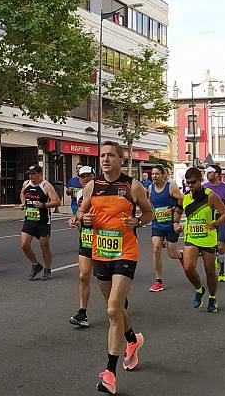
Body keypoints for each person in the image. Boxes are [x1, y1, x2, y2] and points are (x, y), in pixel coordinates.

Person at [75, 141, 153, 395]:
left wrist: (137, 221)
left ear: (121, 159)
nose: (106, 160)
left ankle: (110, 373)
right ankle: (133, 340)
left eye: (111, 156)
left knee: (111, 310)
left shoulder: (133, 186)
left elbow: (149, 213)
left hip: (126, 252)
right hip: (101, 252)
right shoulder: (91, 186)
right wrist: (82, 219)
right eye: (103, 156)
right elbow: (80, 216)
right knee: (116, 309)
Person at [174, 167, 225, 313]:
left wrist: (215, 224)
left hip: (208, 239)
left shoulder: (210, 196)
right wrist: (175, 223)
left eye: (193, 182)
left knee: (210, 272)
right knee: (188, 267)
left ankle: (212, 297)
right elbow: (178, 211)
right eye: (188, 183)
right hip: (191, 237)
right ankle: (199, 289)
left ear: (200, 181)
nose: (190, 185)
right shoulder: (184, 197)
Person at [20, 164, 61, 281]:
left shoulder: (46, 186)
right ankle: (36, 264)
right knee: (24, 245)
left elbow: (57, 201)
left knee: (45, 246)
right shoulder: (26, 184)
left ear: (40, 174)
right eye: (30, 174)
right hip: (29, 218)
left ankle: (47, 268)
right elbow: (22, 193)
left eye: (34, 174)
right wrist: (23, 203)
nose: (31, 176)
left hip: (43, 221)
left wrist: (43, 205)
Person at [148, 165, 184, 292]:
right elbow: (151, 203)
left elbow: (182, 201)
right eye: (152, 174)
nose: (154, 176)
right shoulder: (150, 188)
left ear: (164, 175)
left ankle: (181, 255)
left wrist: (173, 209)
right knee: (156, 247)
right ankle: (158, 280)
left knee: (172, 254)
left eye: (157, 174)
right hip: (157, 224)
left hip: (170, 224)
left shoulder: (171, 187)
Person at [68, 165, 95, 327]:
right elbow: (79, 215)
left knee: (106, 279)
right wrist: (75, 221)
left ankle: (119, 300)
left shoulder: (102, 192)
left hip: (103, 241)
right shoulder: (79, 194)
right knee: (84, 275)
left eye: (88, 176)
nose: (85, 179)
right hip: (85, 239)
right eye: (82, 177)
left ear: (94, 176)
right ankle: (82, 313)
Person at [202, 165, 225, 282]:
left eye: (210, 172)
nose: (207, 174)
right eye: (207, 172)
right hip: (208, 219)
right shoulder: (204, 187)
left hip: (222, 218)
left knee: (220, 245)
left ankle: (222, 271)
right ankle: (217, 257)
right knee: (212, 245)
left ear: (216, 174)